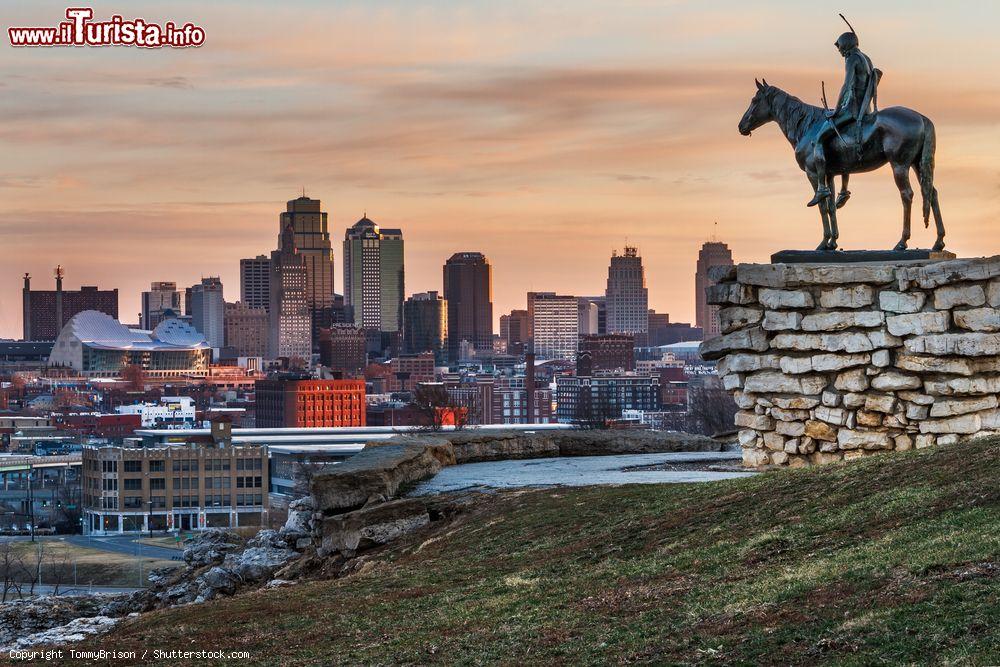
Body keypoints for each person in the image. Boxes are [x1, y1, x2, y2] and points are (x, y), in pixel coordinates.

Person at [807, 28, 877, 207]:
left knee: (818, 139)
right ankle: (844, 190)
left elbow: (846, 86)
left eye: (840, 48)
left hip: (851, 109)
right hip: (864, 109)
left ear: (846, 45)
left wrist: (836, 111)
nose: (839, 51)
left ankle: (822, 187)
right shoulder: (865, 58)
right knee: (841, 141)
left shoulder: (852, 59)